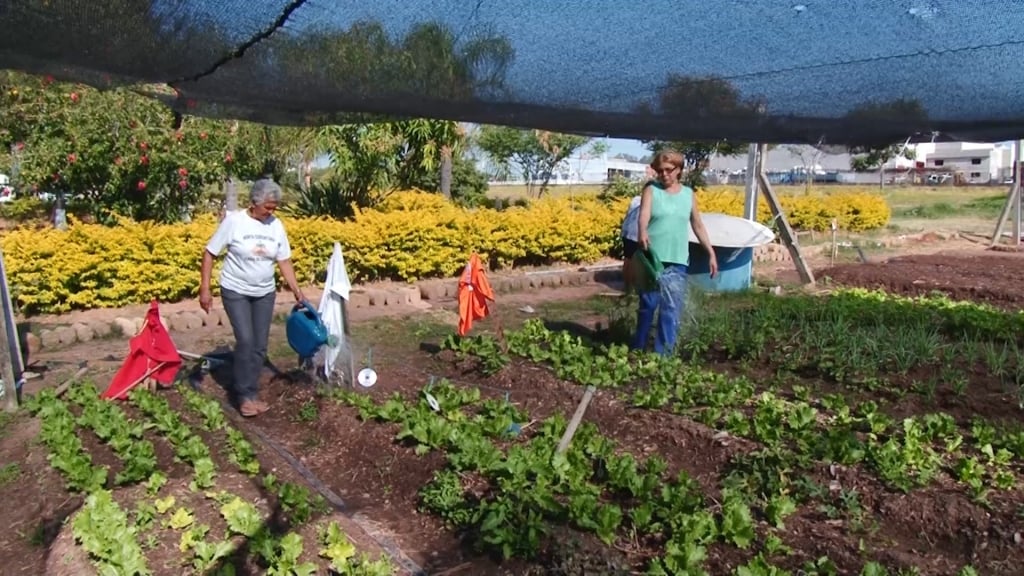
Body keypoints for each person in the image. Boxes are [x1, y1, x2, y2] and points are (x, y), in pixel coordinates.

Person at [199, 177, 306, 417]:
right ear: (254, 202)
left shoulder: (276, 225)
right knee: (246, 340)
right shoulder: (234, 222)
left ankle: (251, 392)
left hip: (264, 292)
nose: (271, 212)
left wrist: (296, 290)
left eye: (274, 208)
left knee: (259, 345)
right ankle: (243, 395)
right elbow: (209, 253)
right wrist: (204, 289)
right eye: (267, 207)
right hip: (235, 289)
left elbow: (284, 260)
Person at [633, 150, 717, 356]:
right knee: (648, 305)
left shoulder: (688, 194)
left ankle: (664, 357)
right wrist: (642, 231)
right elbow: (643, 215)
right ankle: (637, 350)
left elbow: (697, 225)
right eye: (659, 171)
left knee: (671, 310)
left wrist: (711, 253)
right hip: (652, 258)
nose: (664, 175)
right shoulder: (651, 190)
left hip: (677, 259)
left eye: (669, 170)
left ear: (679, 170)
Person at [619, 193, 642, 289]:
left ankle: (627, 286)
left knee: (628, 259)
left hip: (627, 230)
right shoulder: (652, 201)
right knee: (634, 261)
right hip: (636, 233)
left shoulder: (636, 199)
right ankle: (632, 287)